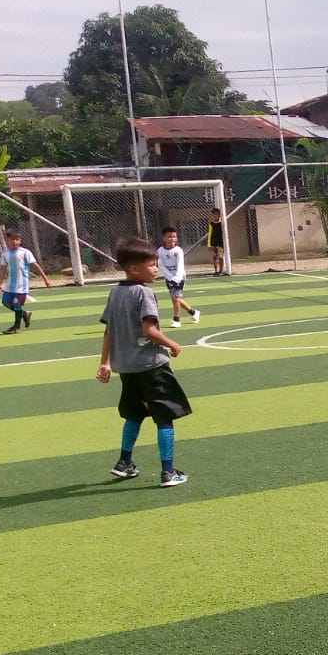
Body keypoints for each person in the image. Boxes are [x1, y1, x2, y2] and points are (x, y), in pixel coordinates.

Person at [95, 237, 192, 488]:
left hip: (127, 368)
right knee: (165, 417)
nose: (156, 269)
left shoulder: (115, 293)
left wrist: (105, 362)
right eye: (152, 265)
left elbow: (109, 331)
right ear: (134, 268)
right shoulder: (144, 293)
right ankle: (168, 472)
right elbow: (149, 330)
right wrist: (172, 344)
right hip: (151, 366)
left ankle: (124, 462)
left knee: (134, 414)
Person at [0, 229, 51, 335]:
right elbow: (3, 268)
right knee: (5, 302)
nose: (14, 242)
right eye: (12, 239)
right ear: (7, 240)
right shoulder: (5, 254)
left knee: (17, 305)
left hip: (21, 285)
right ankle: (25, 314)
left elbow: (35, 265)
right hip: (10, 284)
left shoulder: (25, 252)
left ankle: (16, 327)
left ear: (20, 241)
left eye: (17, 239)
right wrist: (0, 283)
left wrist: (46, 279)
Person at [157, 227, 201, 329]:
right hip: (169, 277)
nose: (172, 239)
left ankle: (176, 320)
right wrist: (169, 277)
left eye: (174, 237)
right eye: (169, 237)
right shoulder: (160, 251)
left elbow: (180, 265)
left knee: (176, 298)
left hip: (179, 277)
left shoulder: (178, 250)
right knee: (175, 299)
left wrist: (177, 278)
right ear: (164, 238)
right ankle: (193, 312)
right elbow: (161, 265)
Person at [205, 208, 227, 276]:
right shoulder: (211, 223)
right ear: (212, 215)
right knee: (215, 257)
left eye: (217, 214)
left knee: (220, 257)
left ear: (219, 215)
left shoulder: (222, 222)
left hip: (220, 243)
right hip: (213, 243)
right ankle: (216, 271)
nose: (216, 215)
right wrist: (209, 245)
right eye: (214, 214)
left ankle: (221, 271)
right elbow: (210, 234)